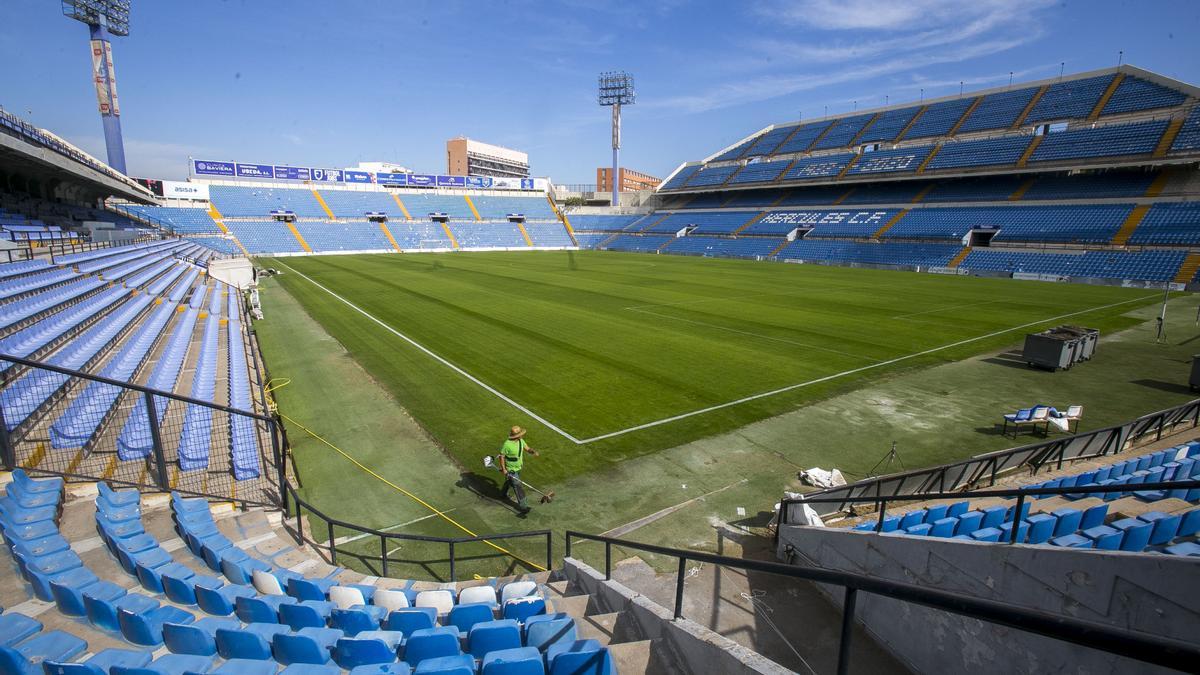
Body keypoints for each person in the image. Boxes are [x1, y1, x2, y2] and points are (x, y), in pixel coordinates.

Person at [499, 425, 539, 514]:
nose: (522, 435)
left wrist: (533, 452)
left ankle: (502, 494)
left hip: (518, 467)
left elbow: (527, 448)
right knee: (518, 486)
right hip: (511, 469)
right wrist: (504, 469)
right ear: (517, 436)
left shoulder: (521, 441)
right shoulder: (507, 444)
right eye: (520, 434)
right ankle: (523, 506)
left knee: (510, 482)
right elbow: (501, 457)